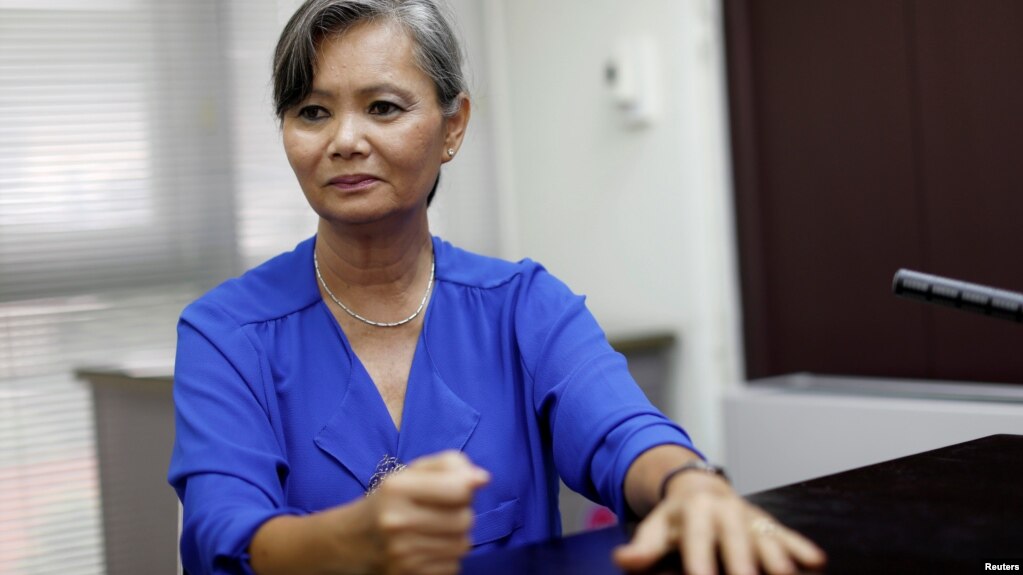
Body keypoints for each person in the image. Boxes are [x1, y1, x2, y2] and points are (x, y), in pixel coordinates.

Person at [167, 1, 827, 574]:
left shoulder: (525, 306)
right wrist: (349, 539)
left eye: (382, 107)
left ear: (452, 126)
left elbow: (622, 434)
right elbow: (219, 535)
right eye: (312, 111)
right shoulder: (225, 333)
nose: (344, 139)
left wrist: (689, 485)